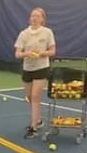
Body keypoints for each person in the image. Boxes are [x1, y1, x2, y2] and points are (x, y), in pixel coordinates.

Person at [14, 8, 56, 138]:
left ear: (42, 19)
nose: (34, 18)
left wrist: (43, 53)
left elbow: (52, 51)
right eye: (32, 16)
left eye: (37, 16)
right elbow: (17, 54)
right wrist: (27, 53)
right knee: (29, 97)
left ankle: (33, 127)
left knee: (36, 97)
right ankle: (38, 120)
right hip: (28, 69)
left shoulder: (47, 32)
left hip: (42, 68)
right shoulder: (23, 34)